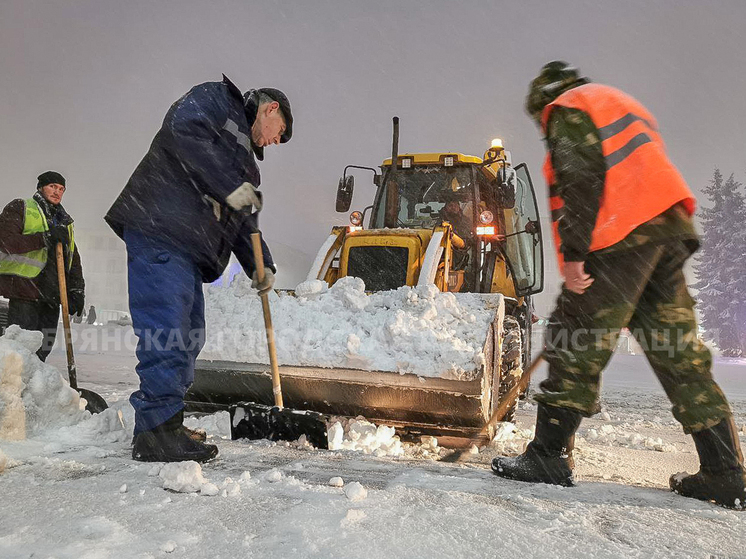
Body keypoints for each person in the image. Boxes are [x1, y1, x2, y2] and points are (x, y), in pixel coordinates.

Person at [492, 61, 745, 510]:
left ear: (542, 102)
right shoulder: (615, 101)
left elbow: (581, 179)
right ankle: (725, 472)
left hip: (619, 233)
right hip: (667, 230)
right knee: (678, 350)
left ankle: (549, 457)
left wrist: (574, 257)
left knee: (575, 337)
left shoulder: (568, 109)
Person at [105, 75, 292, 463]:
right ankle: (156, 434)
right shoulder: (216, 100)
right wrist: (230, 186)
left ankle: (167, 420)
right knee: (167, 332)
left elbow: (242, 223)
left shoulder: (246, 168)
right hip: (161, 227)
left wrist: (262, 264)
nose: (275, 141)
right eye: (280, 132)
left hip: (190, 249)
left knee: (190, 338)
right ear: (271, 108)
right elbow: (183, 131)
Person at [0, 171, 85, 361]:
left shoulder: (65, 223)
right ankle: (15, 388)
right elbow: (6, 241)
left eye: (61, 189)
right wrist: (45, 238)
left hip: (52, 296)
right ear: (40, 187)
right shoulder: (21, 207)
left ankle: (38, 389)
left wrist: (77, 290)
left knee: (43, 350)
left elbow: (73, 259)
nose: (57, 192)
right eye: (52, 186)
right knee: (20, 350)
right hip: (25, 292)